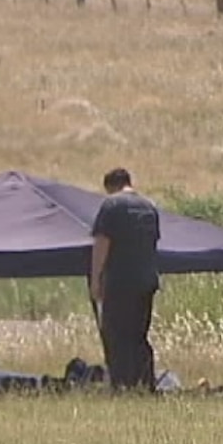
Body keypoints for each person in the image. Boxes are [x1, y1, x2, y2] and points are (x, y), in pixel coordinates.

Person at [89, 167, 161, 393]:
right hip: (146, 281)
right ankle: (145, 383)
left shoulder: (111, 206)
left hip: (120, 281)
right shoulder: (149, 207)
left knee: (117, 335)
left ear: (110, 186)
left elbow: (102, 244)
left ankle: (122, 385)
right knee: (139, 335)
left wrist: (96, 279)